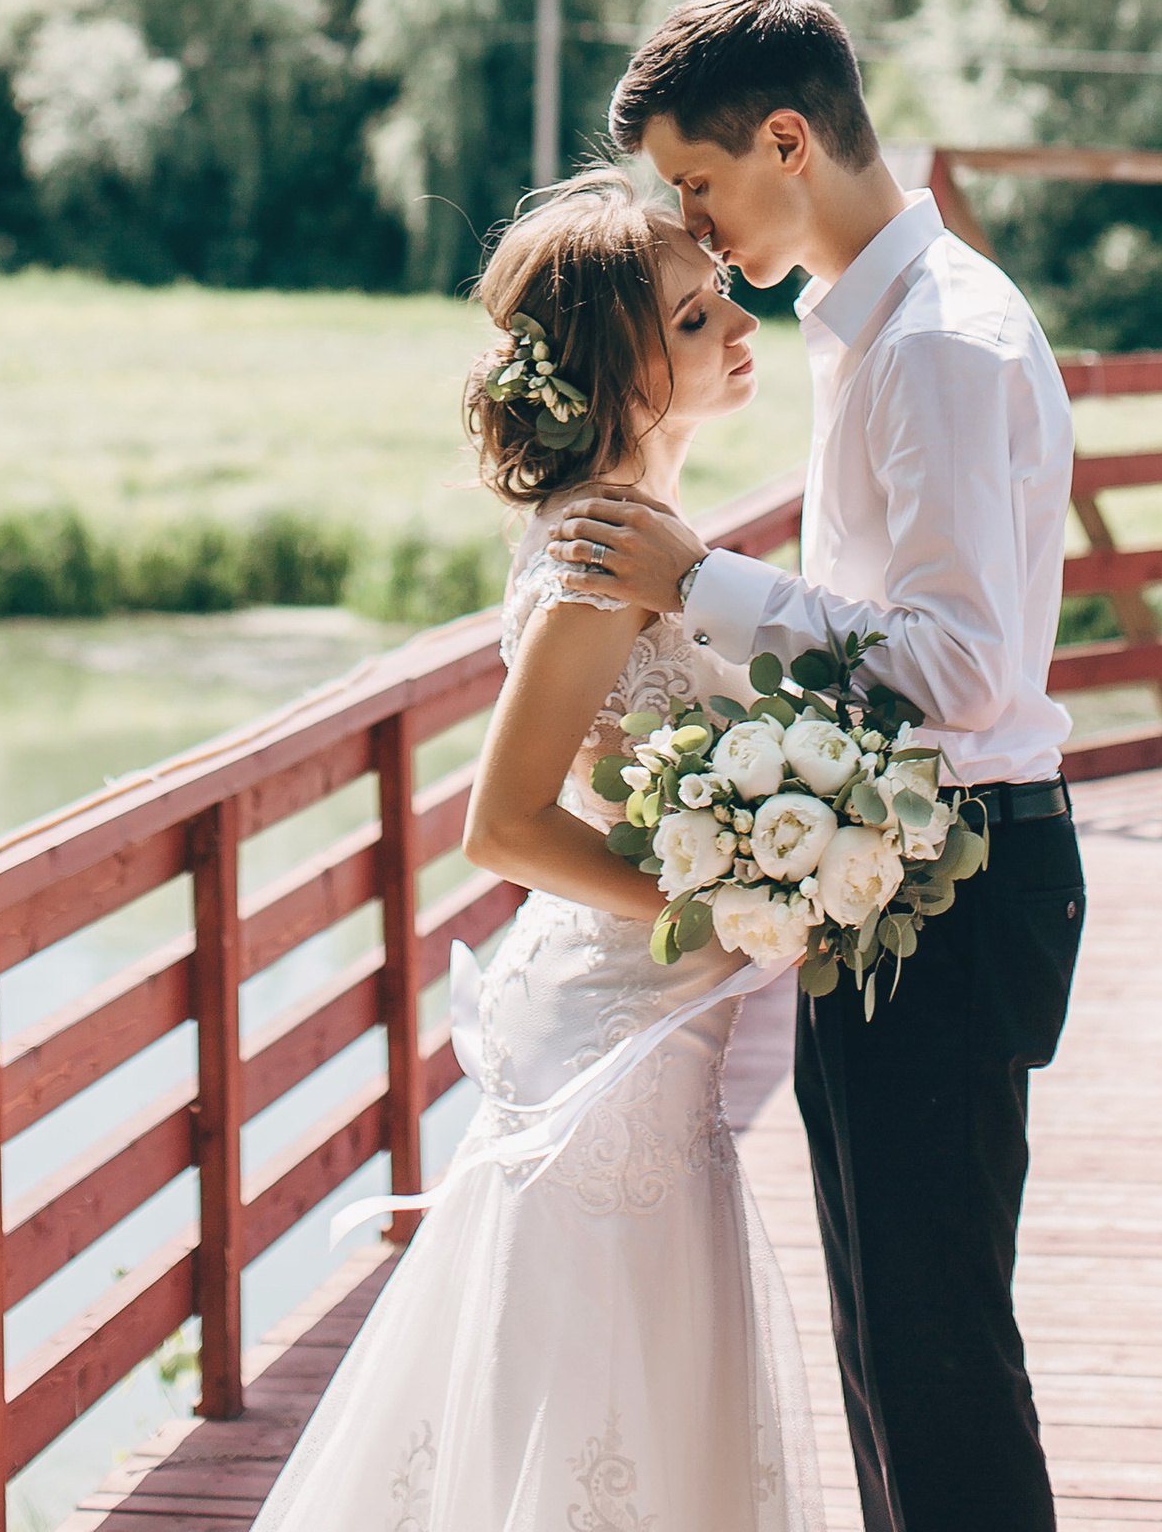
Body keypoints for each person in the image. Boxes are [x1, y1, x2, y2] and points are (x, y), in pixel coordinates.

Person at [552, 0, 1082, 1532]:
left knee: (937, 1361)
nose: (696, 229)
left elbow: (962, 671)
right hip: (897, 875)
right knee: (889, 1354)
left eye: (700, 182)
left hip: (959, 881)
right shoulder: (871, 331)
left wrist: (698, 584)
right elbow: (885, 623)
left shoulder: (939, 346)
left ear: (789, 140)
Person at [249, 167, 825, 1532]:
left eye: (721, 297)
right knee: (594, 1395)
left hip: (651, 1029)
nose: (742, 323)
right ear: (616, 370)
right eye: (694, 319)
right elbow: (501, 826)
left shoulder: (646, 534)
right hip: (614, 1039)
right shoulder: (596, 558)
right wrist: (715, 916)